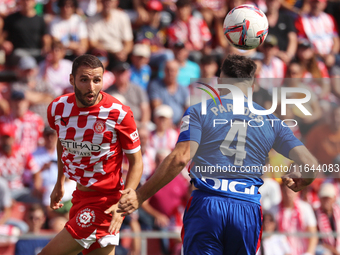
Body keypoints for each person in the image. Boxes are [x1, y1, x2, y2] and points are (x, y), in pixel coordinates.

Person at [118, 54, 318, 255]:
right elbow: (310, 163)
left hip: (208, 204)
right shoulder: (271, 121)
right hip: (246, 208)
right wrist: (305, 180)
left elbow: (180, 158)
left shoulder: (199, 111)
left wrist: (141, 195)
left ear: (220, 82)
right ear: (252, 85)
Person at [38, 54, 143, 255]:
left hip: (104, 204)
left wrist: (123, 204)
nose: (91, 87)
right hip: (79, 197)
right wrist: (60, 181)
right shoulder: (58, 108)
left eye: (97, 80)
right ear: (72, 80)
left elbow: (136, 161)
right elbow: (62, 142)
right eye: (84, 80)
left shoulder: (119, 113)